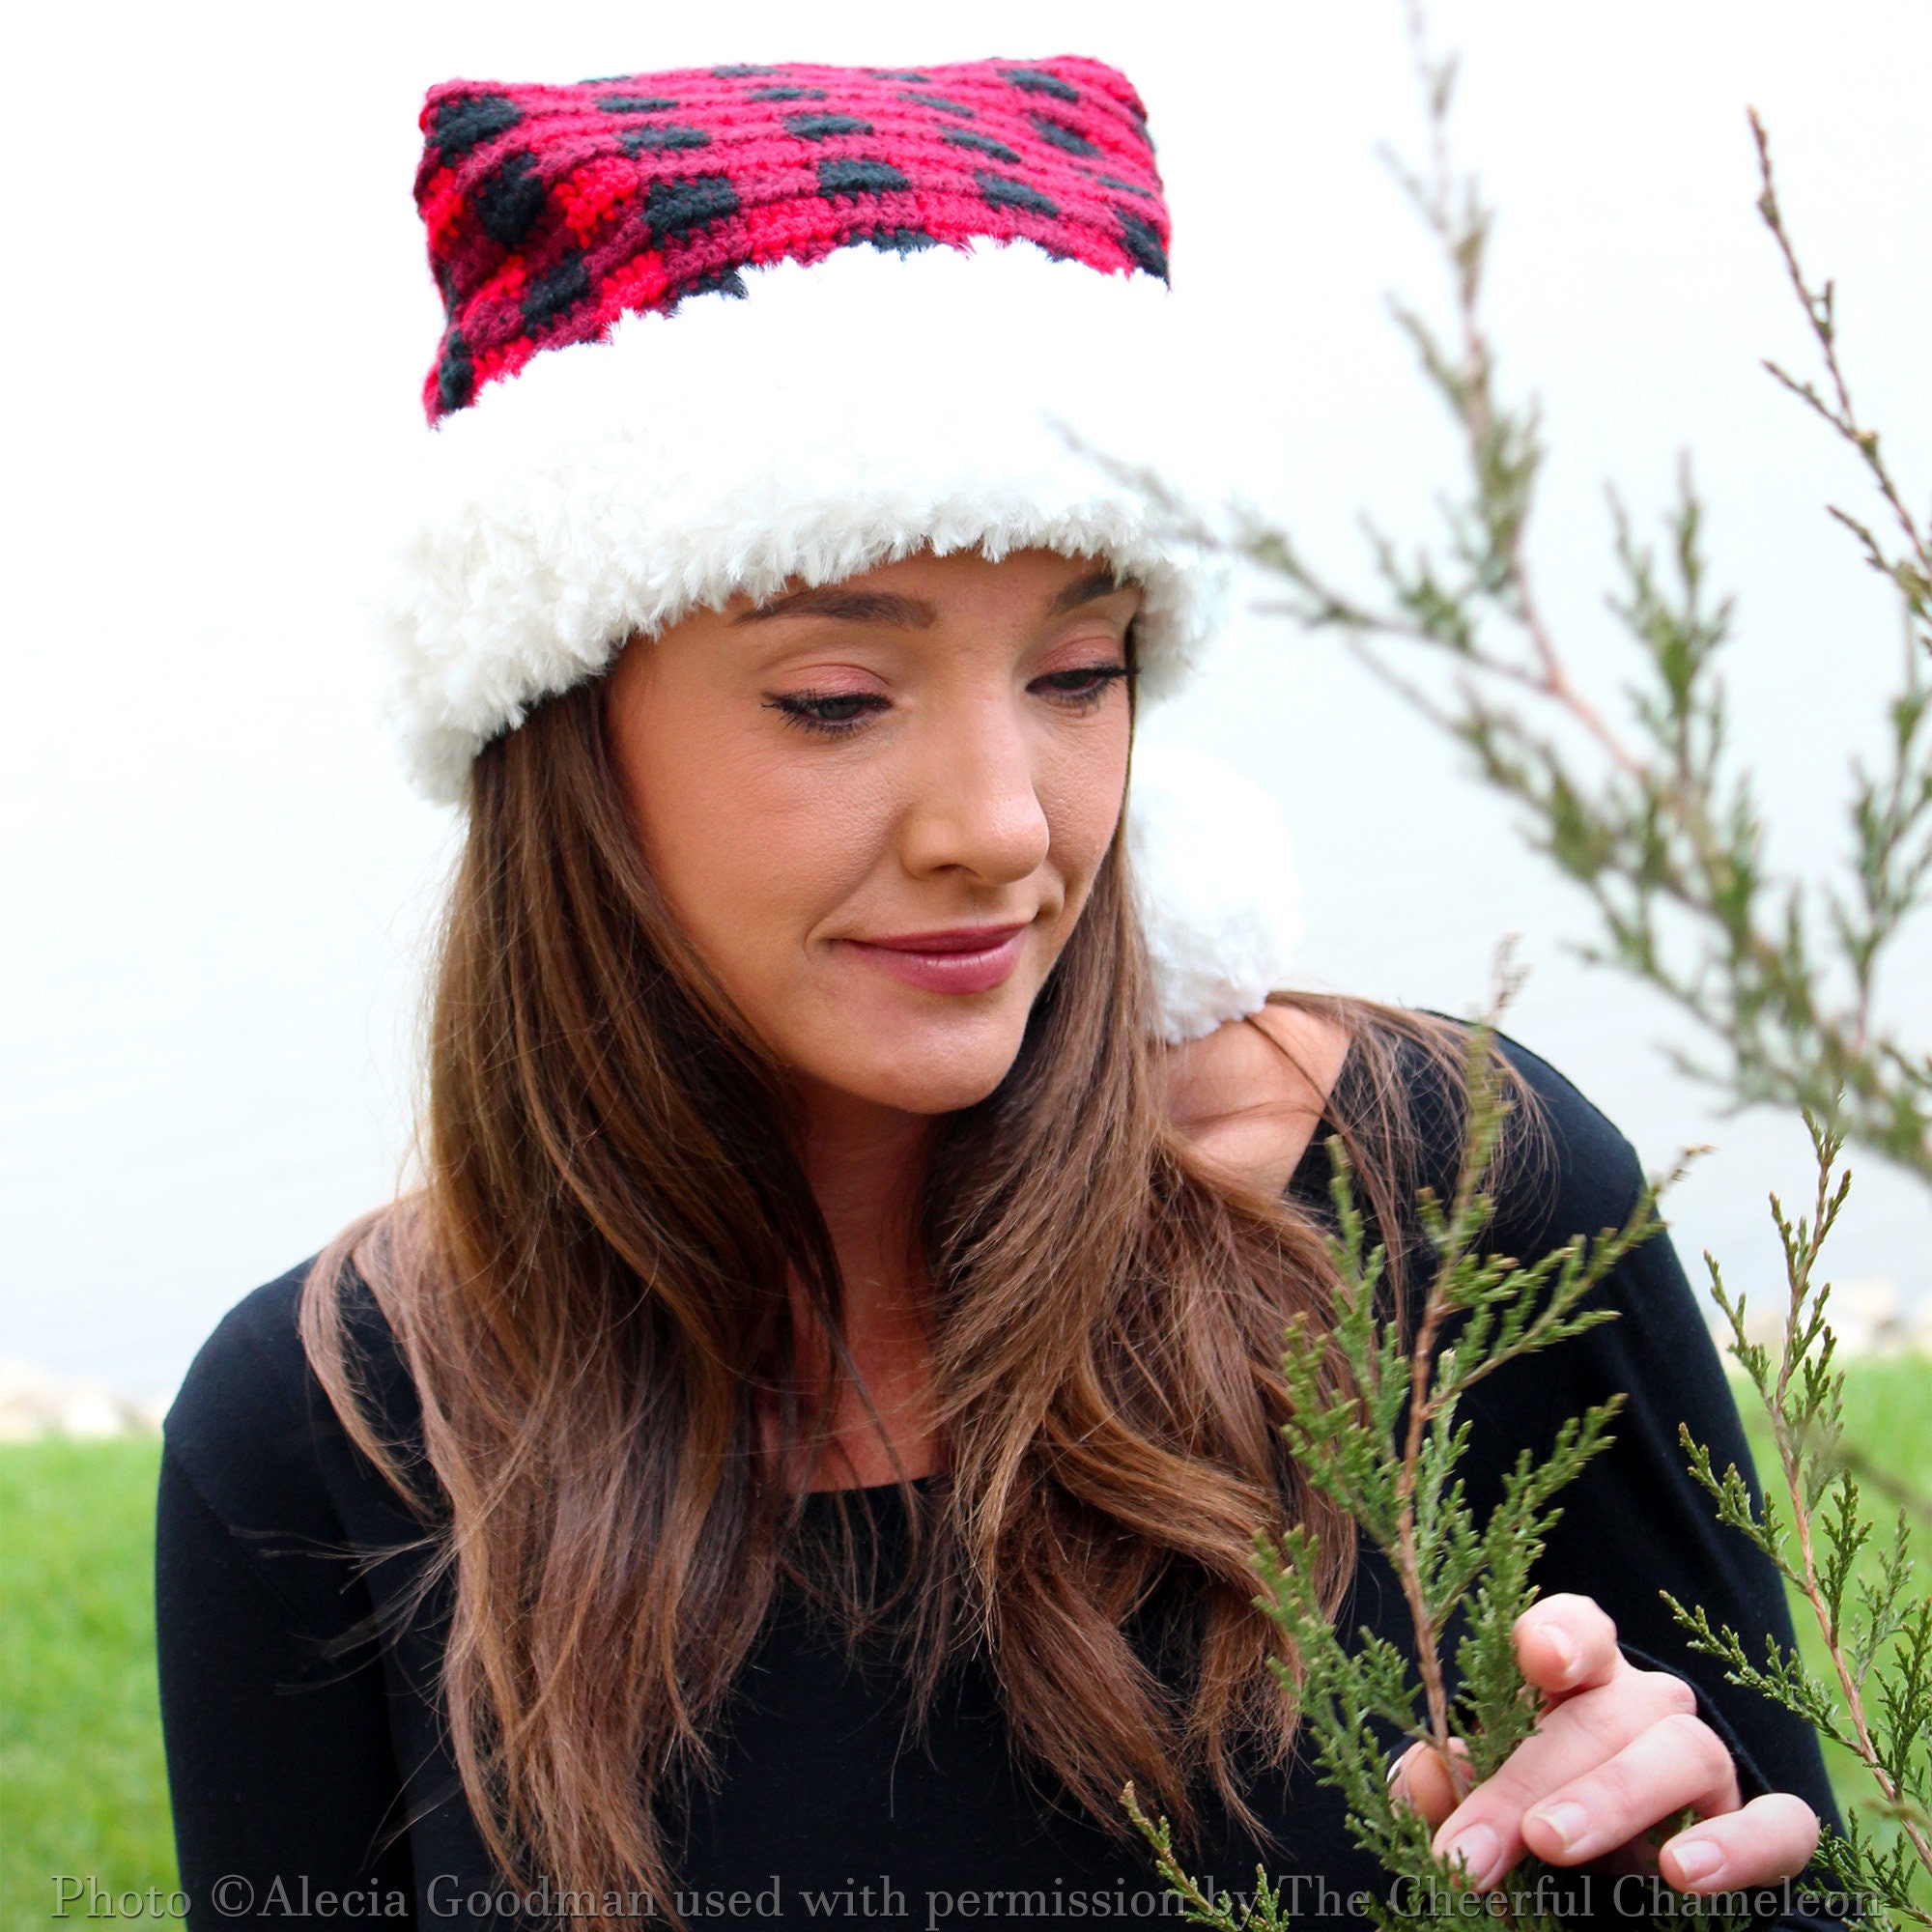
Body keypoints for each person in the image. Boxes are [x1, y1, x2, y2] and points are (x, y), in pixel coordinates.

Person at [155, 54, 1836, 1932]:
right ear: (566, 732)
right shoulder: (331, 1430)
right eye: (835, 699)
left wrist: (1688, 1894)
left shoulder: (1441, 1198)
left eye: (1080, 670)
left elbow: (1779, 1857)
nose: (1002, 826)